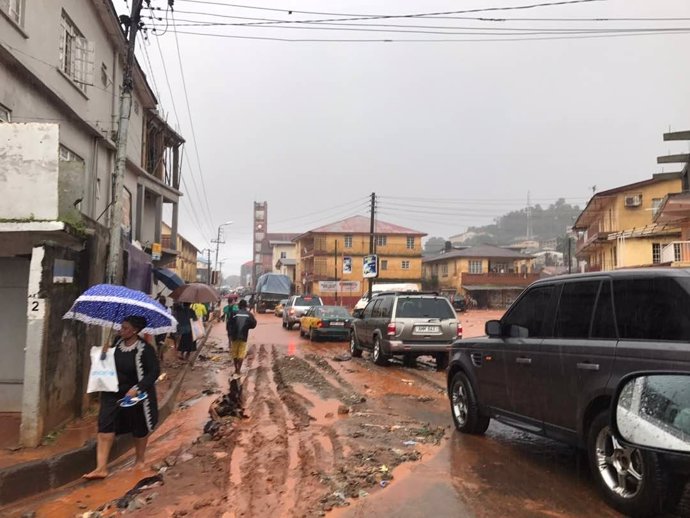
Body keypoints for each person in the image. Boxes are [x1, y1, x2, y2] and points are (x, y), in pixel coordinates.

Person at [83, 315, 160, 480]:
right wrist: (104, 353)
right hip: (112, 392)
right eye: (121, 327)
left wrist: (137, 388)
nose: (121, 330)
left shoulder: (145, 349)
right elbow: (107, 364)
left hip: (134, 396)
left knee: (139, 427)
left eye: (125, 328)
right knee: (105, 425)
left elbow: (154, 372)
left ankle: (140, 460)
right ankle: (101, 467)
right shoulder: (116, 343)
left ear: (135, 331)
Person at [227, 299, 257, 376]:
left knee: (235, 353)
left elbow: (229, 324)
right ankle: (238, 370)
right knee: (241, 353)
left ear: (239, 306)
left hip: (234, 336)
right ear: (246, 306)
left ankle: (236, 368)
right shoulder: (249, 314)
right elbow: (254, 324)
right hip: (243, 336)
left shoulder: (234, 313)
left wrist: (229, 336)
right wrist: (247, 326)